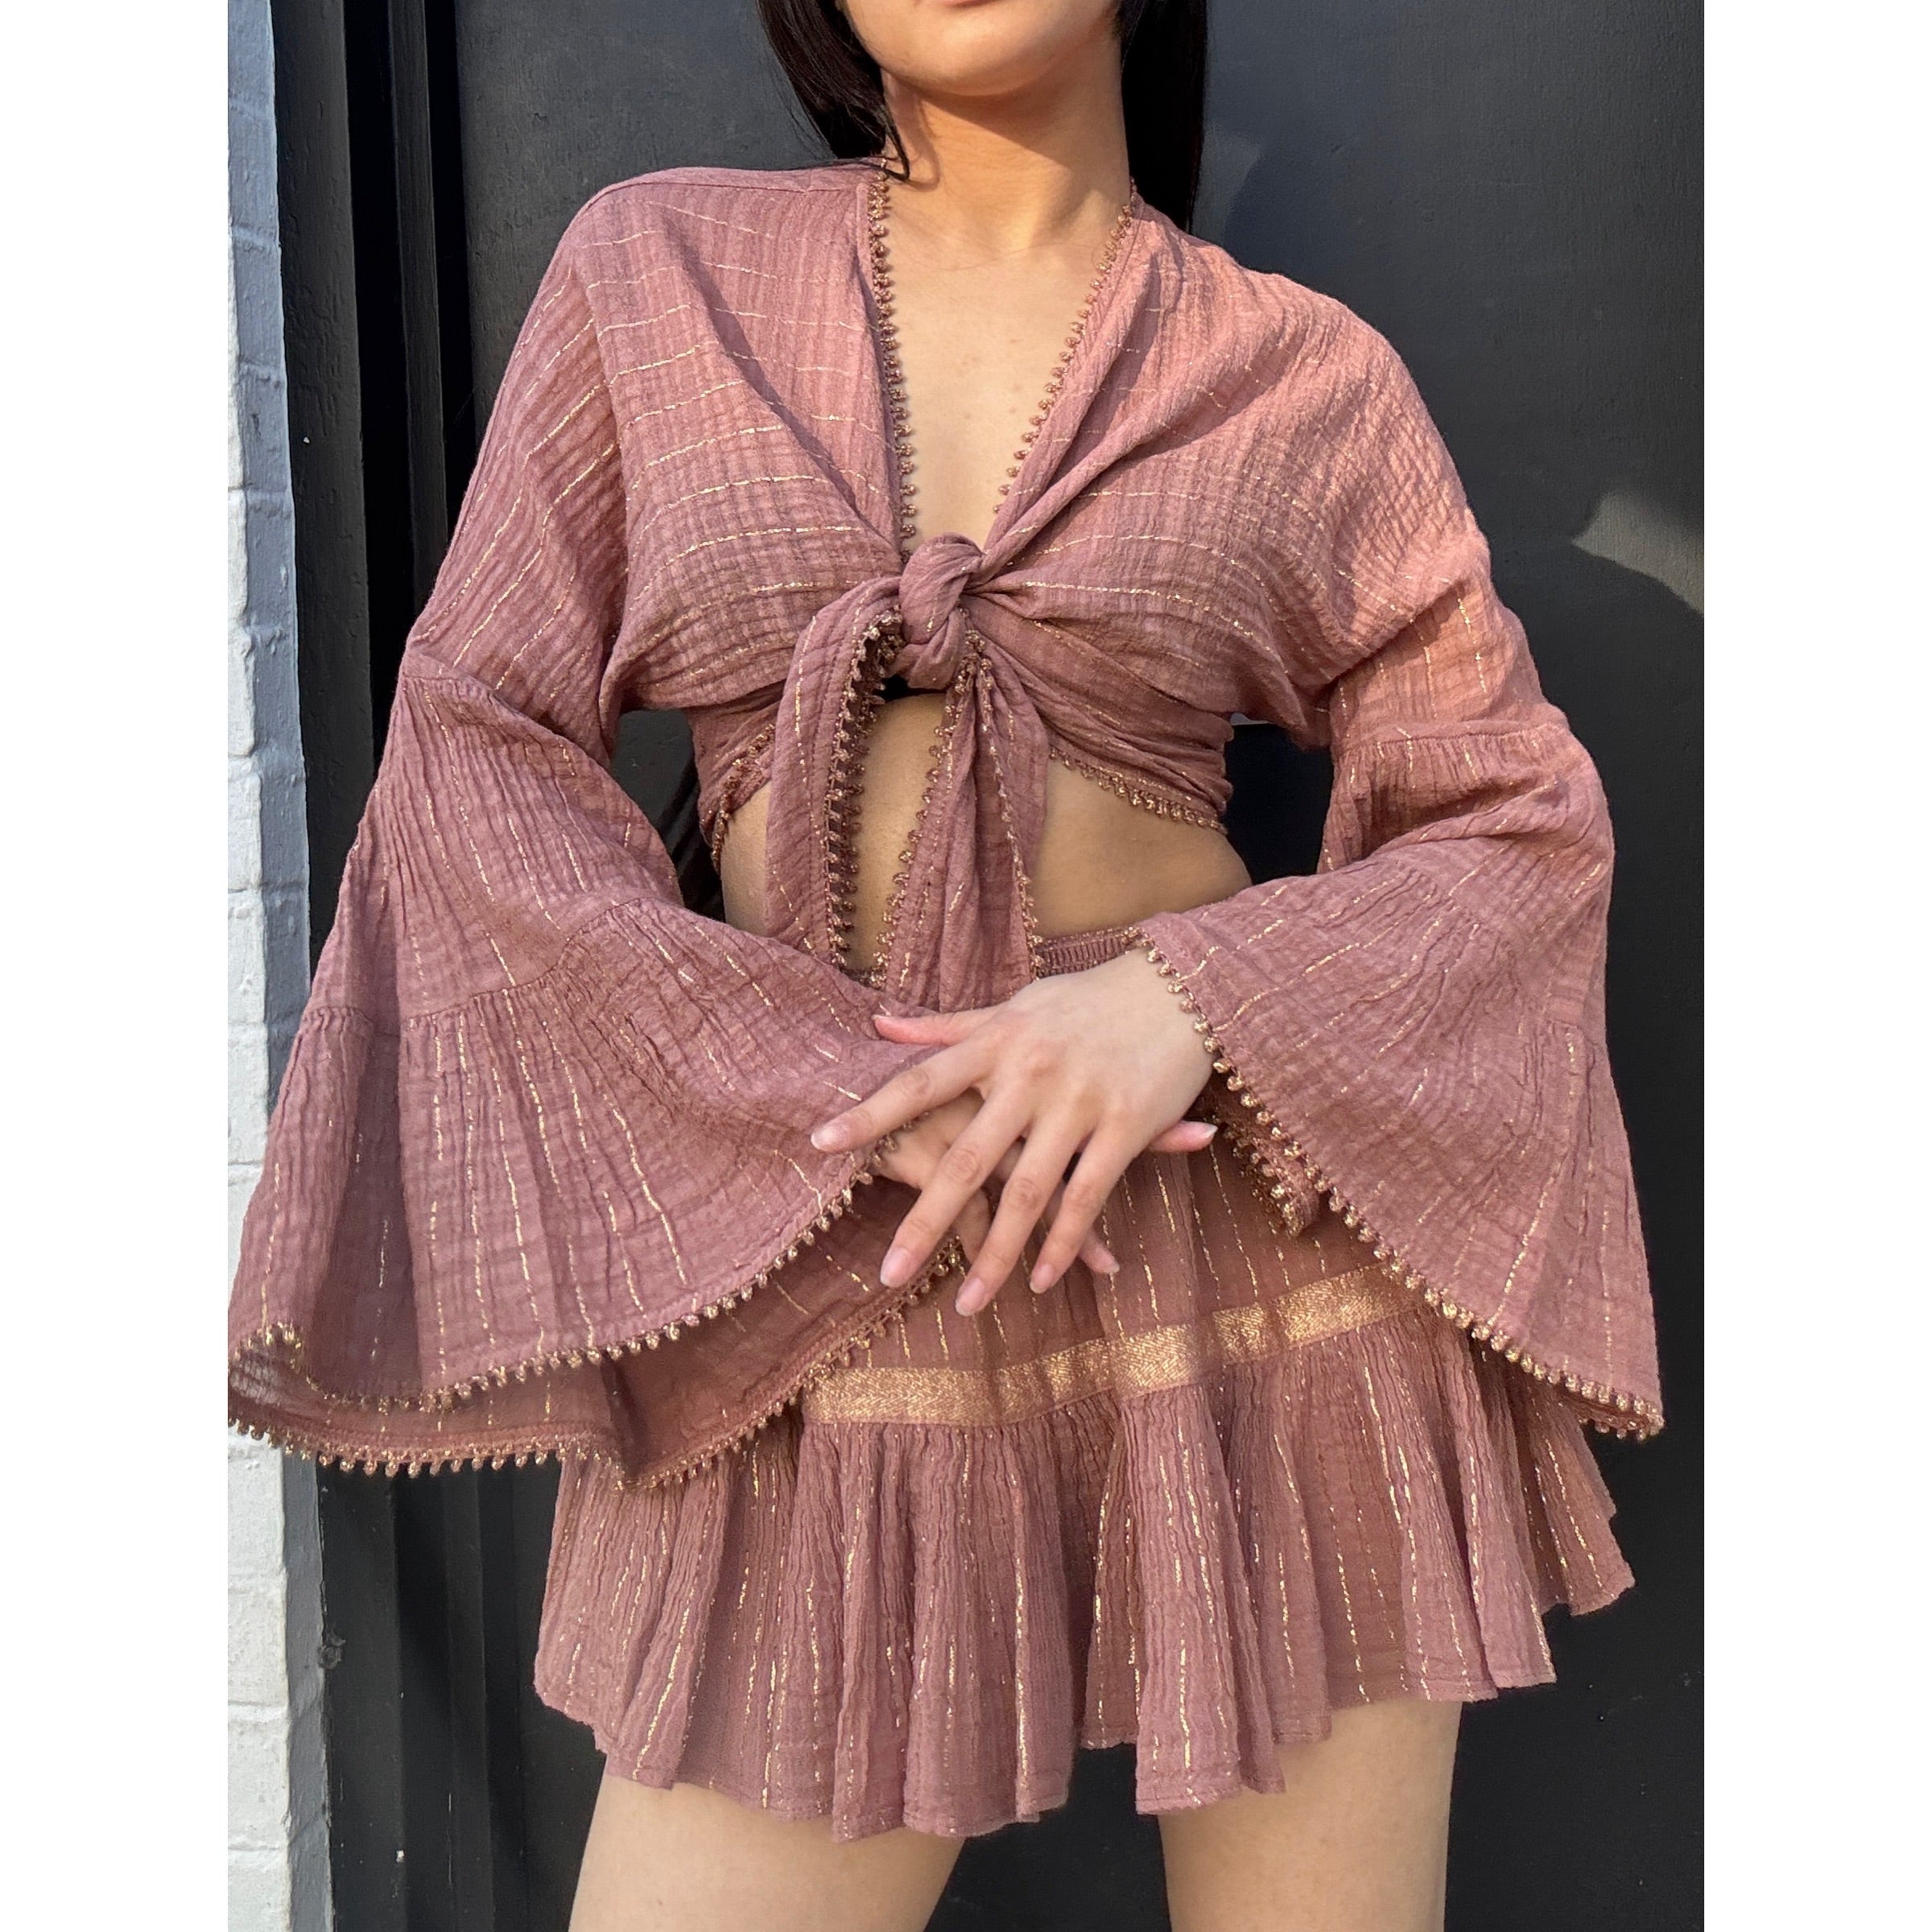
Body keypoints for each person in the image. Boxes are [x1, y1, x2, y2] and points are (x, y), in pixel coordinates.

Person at [228, 2, 1662, 1926]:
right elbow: (478, 745)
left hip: (1250, 1259)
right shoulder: (656, 277)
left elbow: (1514, 828)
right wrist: (793, 1071)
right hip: (829, 1243)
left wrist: (1194, 1003)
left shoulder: (1300, 371)